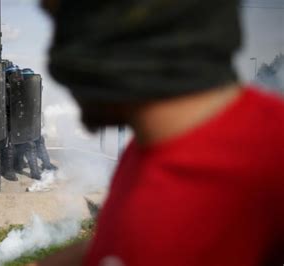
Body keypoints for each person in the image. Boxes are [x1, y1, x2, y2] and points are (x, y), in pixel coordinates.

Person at [34, 0, 284, 265]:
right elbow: (122, 245)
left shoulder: (270, 155)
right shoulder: (148, 146)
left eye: (67, 28)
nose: (59, 58)